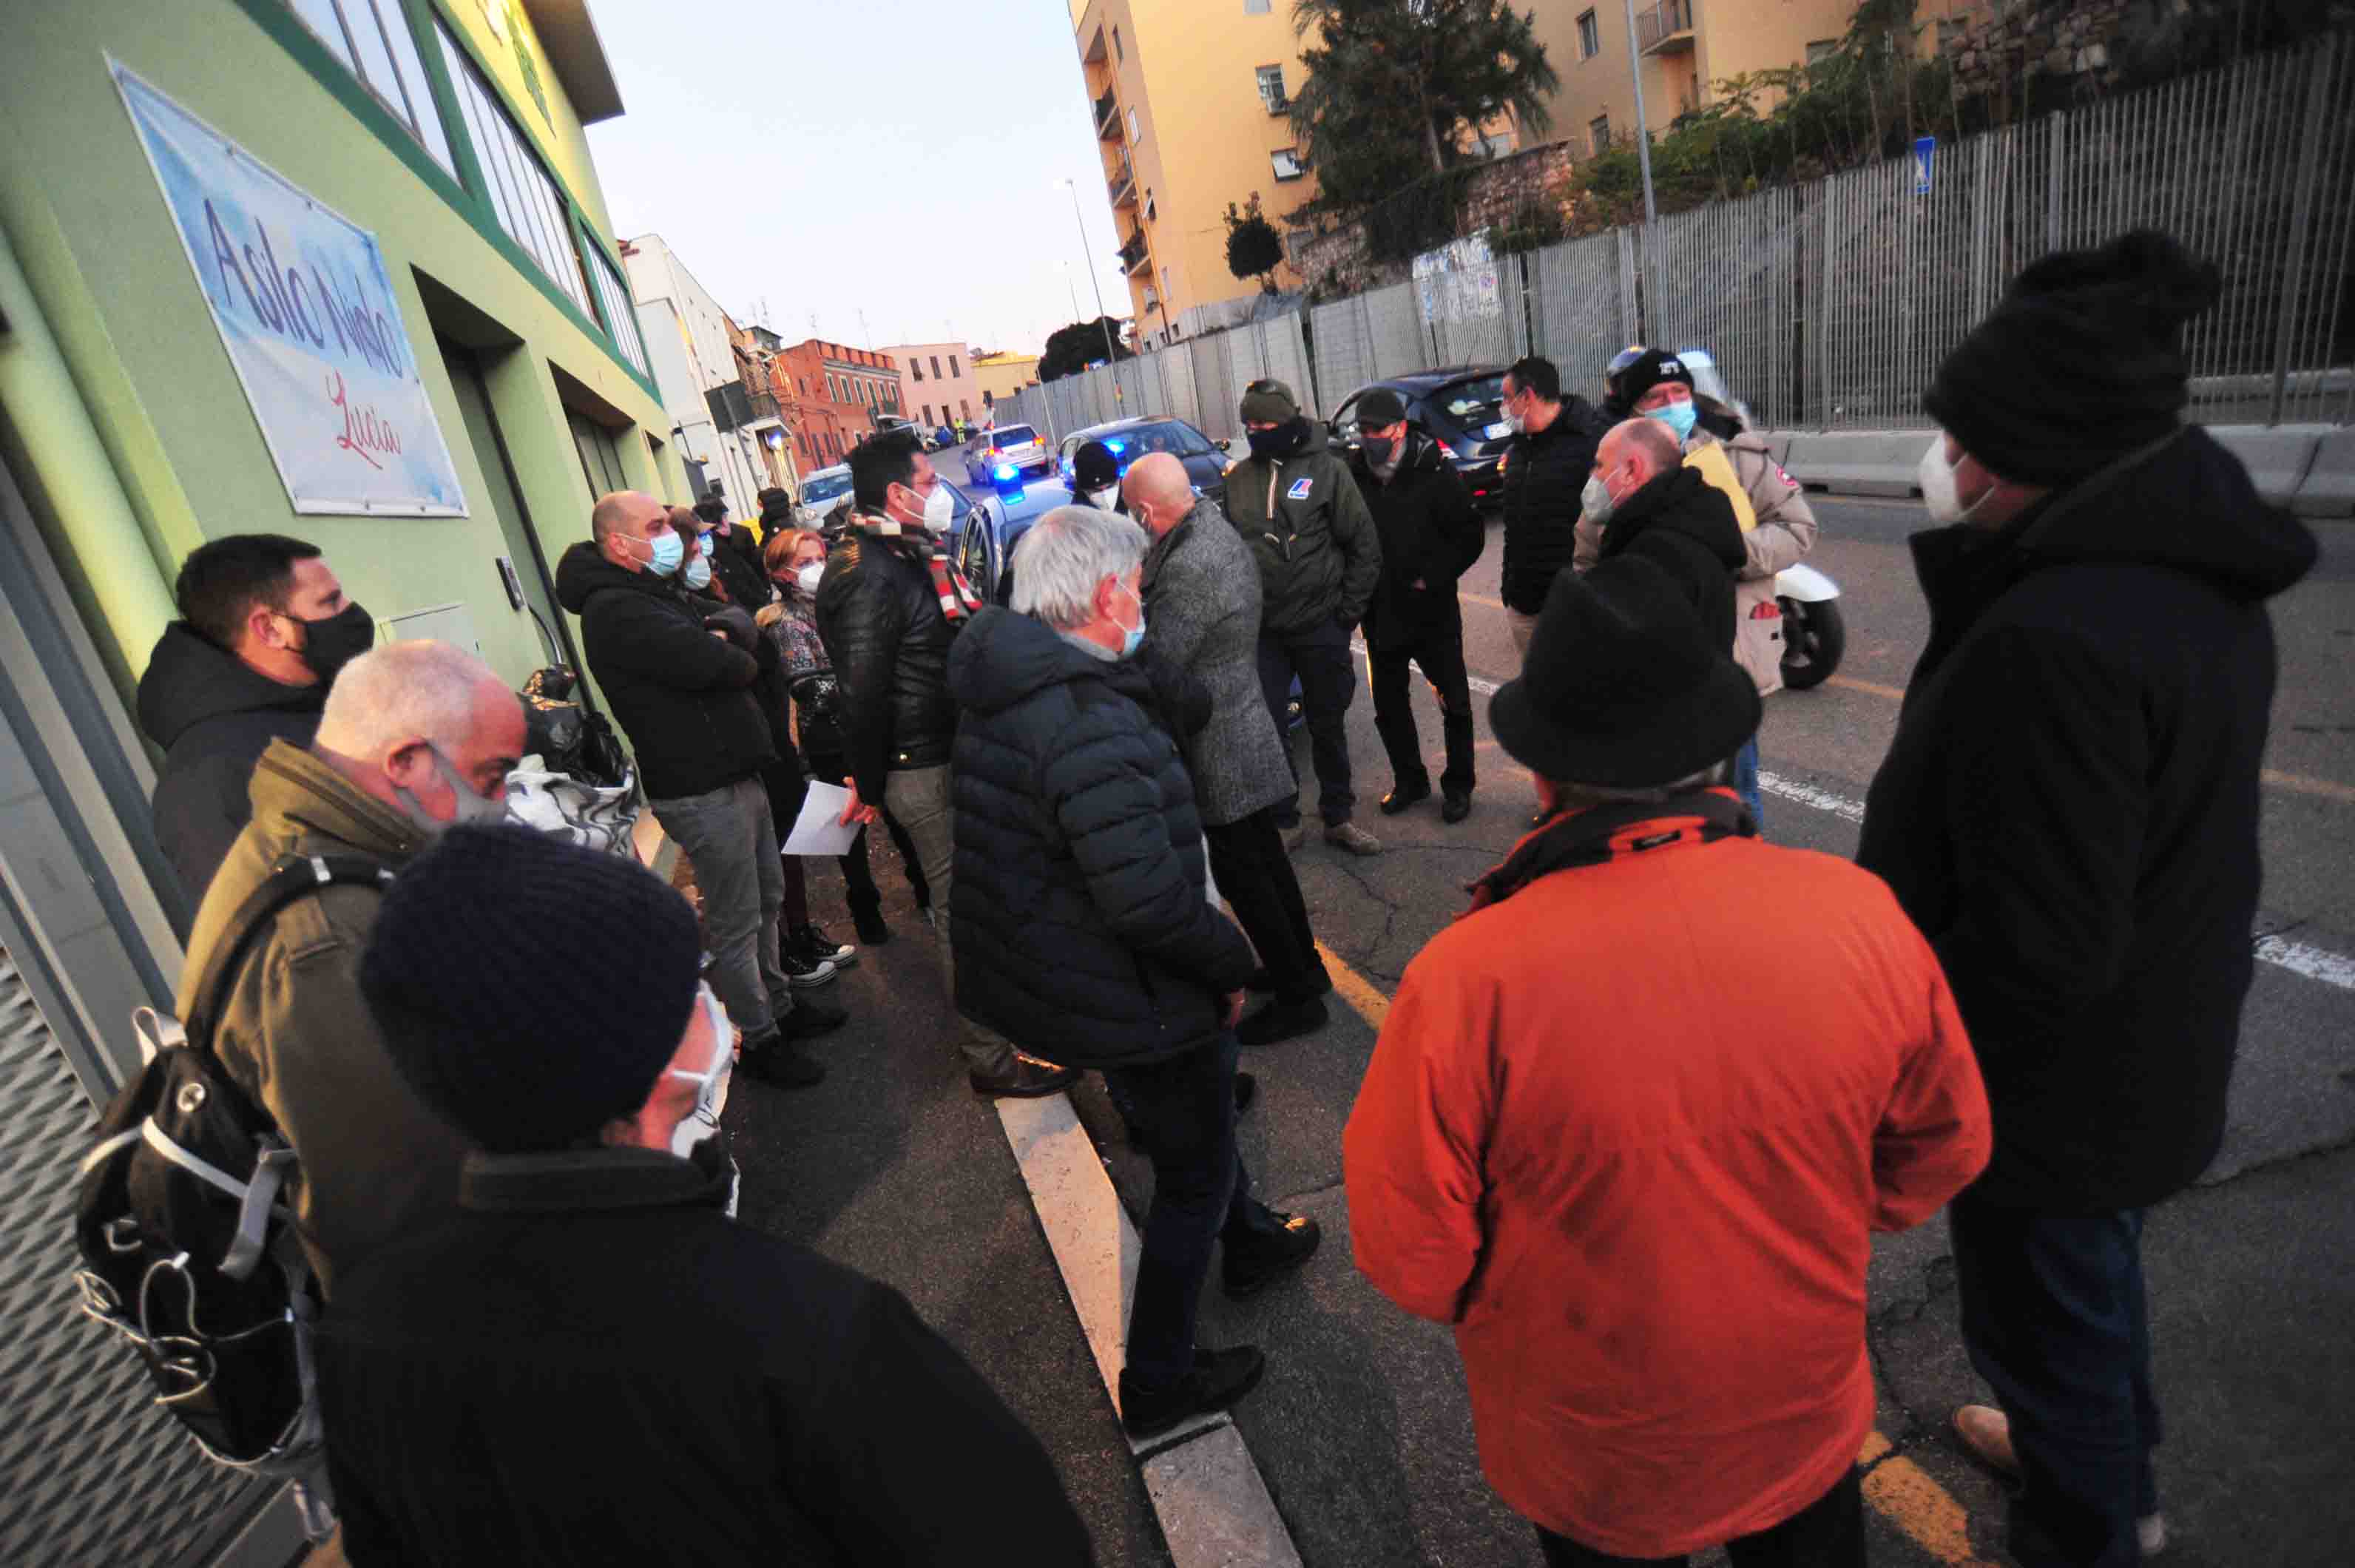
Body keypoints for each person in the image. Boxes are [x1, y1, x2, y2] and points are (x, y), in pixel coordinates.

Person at [1344, 557, 1992, 1567]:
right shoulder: (1856, 914)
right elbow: (1941, 1152)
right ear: (1727, 754)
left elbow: (1409, 1254)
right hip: (1800, 1412)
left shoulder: (1463, 983)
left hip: (1593, 1449)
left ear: (1546, 775)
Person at [1856, 229, 2319, 1568]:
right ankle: (2104, 1466)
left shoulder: (2055, 635)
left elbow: (2030, 943)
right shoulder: (2176, 574)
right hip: (2147, 1042)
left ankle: (2086, 1519)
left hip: (2048, 1091)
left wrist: (1914, 1066)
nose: (1943, 463)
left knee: (2044, 1309)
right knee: (2090, 1295)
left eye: (1963, 437)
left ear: (2031, 452)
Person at [323, 822, 1095, 1566]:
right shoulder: (813, 1335)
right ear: (646, 1058)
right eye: (693, 981)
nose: (714, 1003)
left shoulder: (365, 1327)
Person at [948, 506, 1321, 1437]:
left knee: (1191, 1131)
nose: (1145, 599)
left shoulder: (1027, 679)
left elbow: (1178, 710)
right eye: (1137, 586)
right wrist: (1231, 960)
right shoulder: (1082, 720)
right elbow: (1148, 900)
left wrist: (1127, 655)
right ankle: (1157, 1377)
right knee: (1189, 1172)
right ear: (1110, 592)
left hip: (1078, 971)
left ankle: (1252, 1236)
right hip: (1130, 983)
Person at [182, 640, 519, 1297]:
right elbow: (411, 1215)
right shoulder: (321, 943)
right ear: (404, 762)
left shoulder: (346, 847)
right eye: (490, 776)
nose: (502, 800)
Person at [816, 431, 1073, 1100]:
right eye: (929, 483)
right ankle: (991, 1058)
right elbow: (862, 693)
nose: (939, 495)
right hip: (919, 764)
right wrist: (869, 784)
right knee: (964, 913)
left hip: (946, 746)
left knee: (984, 901)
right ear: (896, 494)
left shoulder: (903, 553)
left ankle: (1009, 1026)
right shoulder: (865, 572)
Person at [556, 492, 839, 1090]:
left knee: (765, 898)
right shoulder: (618, 610)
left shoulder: (652, 595)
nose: (672, 536)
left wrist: (728, 636)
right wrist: (728, 644)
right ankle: (761, 1038)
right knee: (737, 922)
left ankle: (781, 1008)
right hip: (700, 787)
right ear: (618, 543)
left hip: (736, 771)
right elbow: (733, 666)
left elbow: (737, 631)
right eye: (655, 526)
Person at [1124, 454, 1334, 1047]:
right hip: (1238, 723)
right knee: (1266, 863)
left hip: (1219, 741)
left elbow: (1161, 660)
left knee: (1249, 879)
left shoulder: (1191, 563)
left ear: (1145, 511)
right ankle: (1304, 969)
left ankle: (1298, 997)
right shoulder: (1208, 525)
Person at [1598, 347, 1820, 823]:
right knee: (1661, 804)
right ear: (1635, 408)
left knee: (1737, 796)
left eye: (1680, 392)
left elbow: (1798, 529)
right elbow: (1586, 557)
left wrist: (1730, 555)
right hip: (1652, 668)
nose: (1673, 403)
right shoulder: (1615, 464)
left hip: (1730, 656)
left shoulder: (1737, 455)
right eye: (1656, 397)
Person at [138, 534, 374, 921]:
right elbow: (283, 942)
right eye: (329, 601)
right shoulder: (208, 783)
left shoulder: (327, 700)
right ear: (269, 629)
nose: (349, 611)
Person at [676, 516, 851, 982]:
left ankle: (802, 933)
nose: (705, 555)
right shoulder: (701, 613)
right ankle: (787, 955)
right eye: (696, 548)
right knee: (772, 860)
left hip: (771, 741)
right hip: (762, 745)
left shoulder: (713, 597)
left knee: (785, 853)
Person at [1220, 378, 1383, 855]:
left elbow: (1364, 547)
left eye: (1267, 422)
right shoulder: (1238, 480)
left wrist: (1345, 616)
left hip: (1321, 626)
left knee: (1328, 724)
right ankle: (1285, 816)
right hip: (1264, 633)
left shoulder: (1329, 471)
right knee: (1269, 727)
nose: (1257, 430)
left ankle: (1339, 816)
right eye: (1250, 423)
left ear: (1289, 421)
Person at [759, 525, 909, 946]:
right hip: (829, 738)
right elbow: (810, 689)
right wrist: (869, 683)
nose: (816, 569)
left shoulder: (845, 603)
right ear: (781, 575)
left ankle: (921, 890)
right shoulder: (785, 623)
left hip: (870, 725)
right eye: (804, 563)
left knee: (899, 811)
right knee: (848, 831)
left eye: (820, 558)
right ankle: (866, 910)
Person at [1345, 387, 1485, 824]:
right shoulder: (1353, 474)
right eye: (1363, 430)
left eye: (1378, 430)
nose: (1370, 438)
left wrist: (1433, 576)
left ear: (1401, 429)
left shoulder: (1435, 471)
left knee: (1454, 703)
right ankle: (1409, 780)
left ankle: (1458, 786)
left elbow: (1470, 536)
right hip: (1381, 612)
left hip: (1431, 612)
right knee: (1388, 706)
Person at [1577, 419, 1747, 671]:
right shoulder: (1693, 519)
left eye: (1600, 465)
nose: (1593, 475)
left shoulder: (1648, 560)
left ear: (1631, 470)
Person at [1496, 354, 1606, 660]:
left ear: (1527, 396)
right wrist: (1510, 589)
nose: (1502, 408)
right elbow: (1512, 526)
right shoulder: (1519, 449)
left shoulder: (1590, 445)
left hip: (1571, 609)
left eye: (1506, 398)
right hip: (1523, 606)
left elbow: (1605, 531)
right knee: (1537, 697)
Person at [696, 490, 774, 607]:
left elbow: (757, 564)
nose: (724, 525)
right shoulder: (706, 546)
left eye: (725, 517)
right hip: (736, 603)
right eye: (717, 522)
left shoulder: (742, 532)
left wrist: (766, 592)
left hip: (758, 596)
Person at [1072, 439, 1124, 512]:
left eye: (1110, 487)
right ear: (1083, 491)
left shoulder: (1136, 500)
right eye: (1095, 491)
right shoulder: (1076, 516)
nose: (1104, 495)